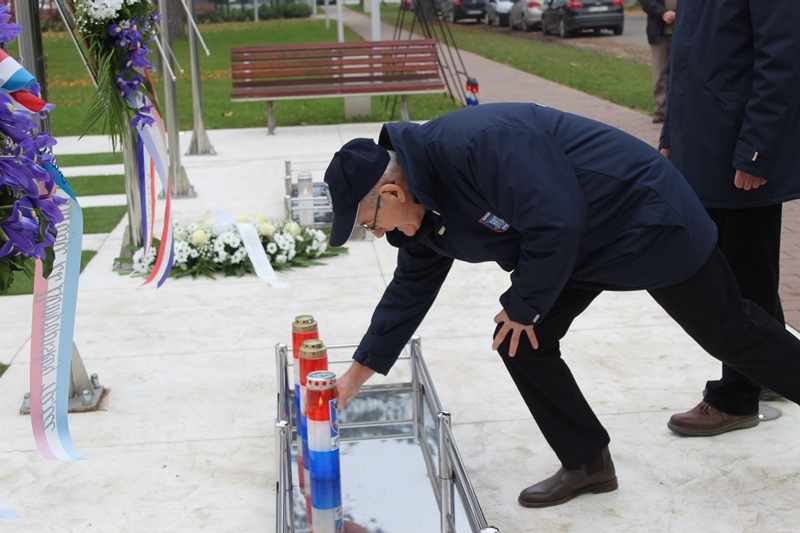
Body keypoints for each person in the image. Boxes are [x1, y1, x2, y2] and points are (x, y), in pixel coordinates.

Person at [324, 102, 800, 508]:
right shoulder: (423, 206)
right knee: (520, 341)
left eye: (370, 223)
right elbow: (408, 292)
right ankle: (587, 463)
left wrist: (524, 303)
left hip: (642, 217)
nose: (378, 234)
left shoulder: (477, 144)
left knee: (730, 334)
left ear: (392, 192)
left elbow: (556, 222)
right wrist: (353, 378)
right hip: (573, 247)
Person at [659, 0, 800, 436]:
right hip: (703, 142)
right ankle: (770, 369)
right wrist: (670, 133)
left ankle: (735, 397)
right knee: (739, 268)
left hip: (739, 147)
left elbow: (782, 60)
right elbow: (685, 60)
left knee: (742, 277)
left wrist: (758, 150)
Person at [640, 0, 676, 124]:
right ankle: (661, 111)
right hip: (658, 34)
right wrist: (663, 13)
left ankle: (681, 112)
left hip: (683, 33)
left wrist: (677, 13)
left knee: (683, 74)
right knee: (660, 74)